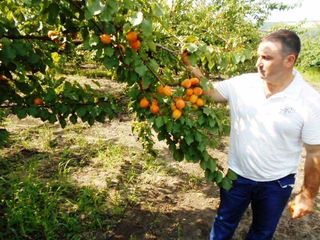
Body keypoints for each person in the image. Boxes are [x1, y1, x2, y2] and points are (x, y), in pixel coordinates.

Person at [182, 29, 320, 240]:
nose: (258, 62)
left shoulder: (309, 101)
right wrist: (190, 65)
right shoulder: (242, 84)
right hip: (237, 176)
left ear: (289, 60)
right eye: (258, 56)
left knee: (261, 233)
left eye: (266, 57)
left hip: (277, 183)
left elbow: (315, 152)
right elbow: (209, 92)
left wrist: (308, 195)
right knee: (223, 224)